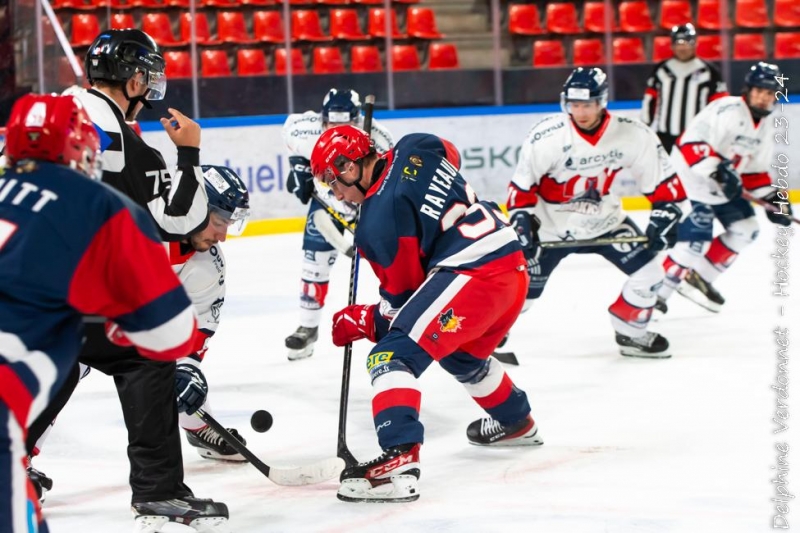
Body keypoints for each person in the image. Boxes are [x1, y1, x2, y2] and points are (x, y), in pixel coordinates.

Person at [24, 28, 227, 525]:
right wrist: (190, 151)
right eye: (147, 76)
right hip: (63, 283)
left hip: (22, 275)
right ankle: (159, 491)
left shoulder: (57, 107)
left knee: (61, 360)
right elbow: (183, 221)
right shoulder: (119, 138)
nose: (151, 86)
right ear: (134, 78)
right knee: (147, 356)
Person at [310, 125, 542, 503]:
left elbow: (404, 302)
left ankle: (398, 465)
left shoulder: (377, 223)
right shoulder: (413, 145)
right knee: (459, 353)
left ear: (350, 167)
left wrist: (365, 320)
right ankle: (515, 420)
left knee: (391, 356)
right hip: (509, 266)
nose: (334, 192)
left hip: (475, 275)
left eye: (332, 181)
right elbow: (450, 155)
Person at [26, 165, 252, 472]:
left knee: (175, 377)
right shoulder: (132, 222)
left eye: (230, 224)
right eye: (218, 222)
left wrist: (186, 368)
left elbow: (197, 329)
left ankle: (196, 426)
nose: (223, 236)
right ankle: (17, 460)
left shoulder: (208, 267)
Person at [508, 67, 689, 358]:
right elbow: (522, 188)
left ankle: (630, 331)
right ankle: (490, 335)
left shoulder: (632, 133)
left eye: (587, 104)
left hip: (604, 221)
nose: (580, 112)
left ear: (602, 101)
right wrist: (521, 219)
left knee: (651, 274)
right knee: (521, 290)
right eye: (574, 104)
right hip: (550, 225)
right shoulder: (546, 136)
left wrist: (665, 213)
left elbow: (662, 183)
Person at [656, 62, 793, 313]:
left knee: (746, 229)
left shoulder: (764, 126)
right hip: (689, 183)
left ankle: (700, 277)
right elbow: (690, 144)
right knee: (693, 242)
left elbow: (754, 173)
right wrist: (717, 169)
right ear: (748, 90)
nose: (764, 98)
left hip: (719, 189)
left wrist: (773, 197)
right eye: (759, 91)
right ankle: (655, 296)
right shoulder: (726, 108)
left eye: (770, 93)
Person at [282, 88, 393, 361]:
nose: (338, 129)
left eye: (346, 124)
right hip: (327, 202)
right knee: (313, 263)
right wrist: (300, 166)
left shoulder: (379, 138)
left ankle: (397, 314)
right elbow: (295, 145)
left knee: (388, 261)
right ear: (322, 119)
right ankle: (308, 327)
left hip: (364, 204)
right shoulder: (301, 129)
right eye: (333, 123)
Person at [641, 23, 728, 153]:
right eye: (678, 43)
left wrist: (718, 132)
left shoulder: (709, 71)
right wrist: (645, 128)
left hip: (697, 137)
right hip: (665, 138)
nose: (682, 47)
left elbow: (721, 105)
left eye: (687, 42)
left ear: (694, 44)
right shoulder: (661, 70)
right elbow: (650, 100)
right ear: (672, 45)